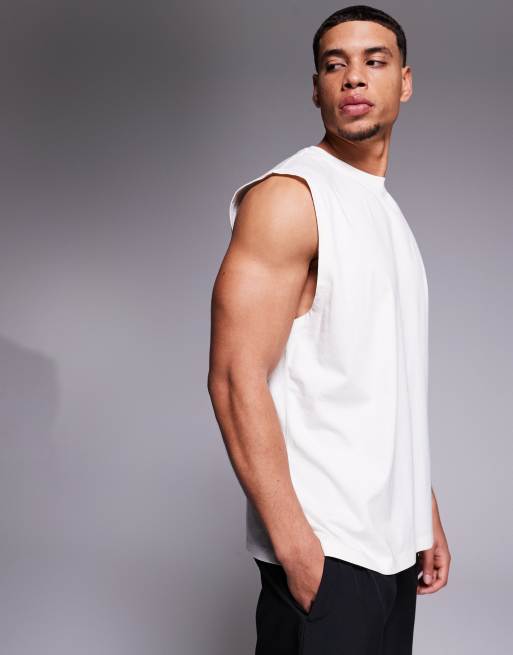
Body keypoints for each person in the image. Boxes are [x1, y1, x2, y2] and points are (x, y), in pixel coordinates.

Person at [207, 5, 451, 654]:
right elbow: (234, 377)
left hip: (389, 550)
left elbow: (382, 383)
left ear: (404, 81)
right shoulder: (290, 197)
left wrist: (420, 512)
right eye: (334, 65)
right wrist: (297, 550)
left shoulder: (382, 209)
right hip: (326, 551)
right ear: (316, 88)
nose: (353, 78)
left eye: (374, 61)